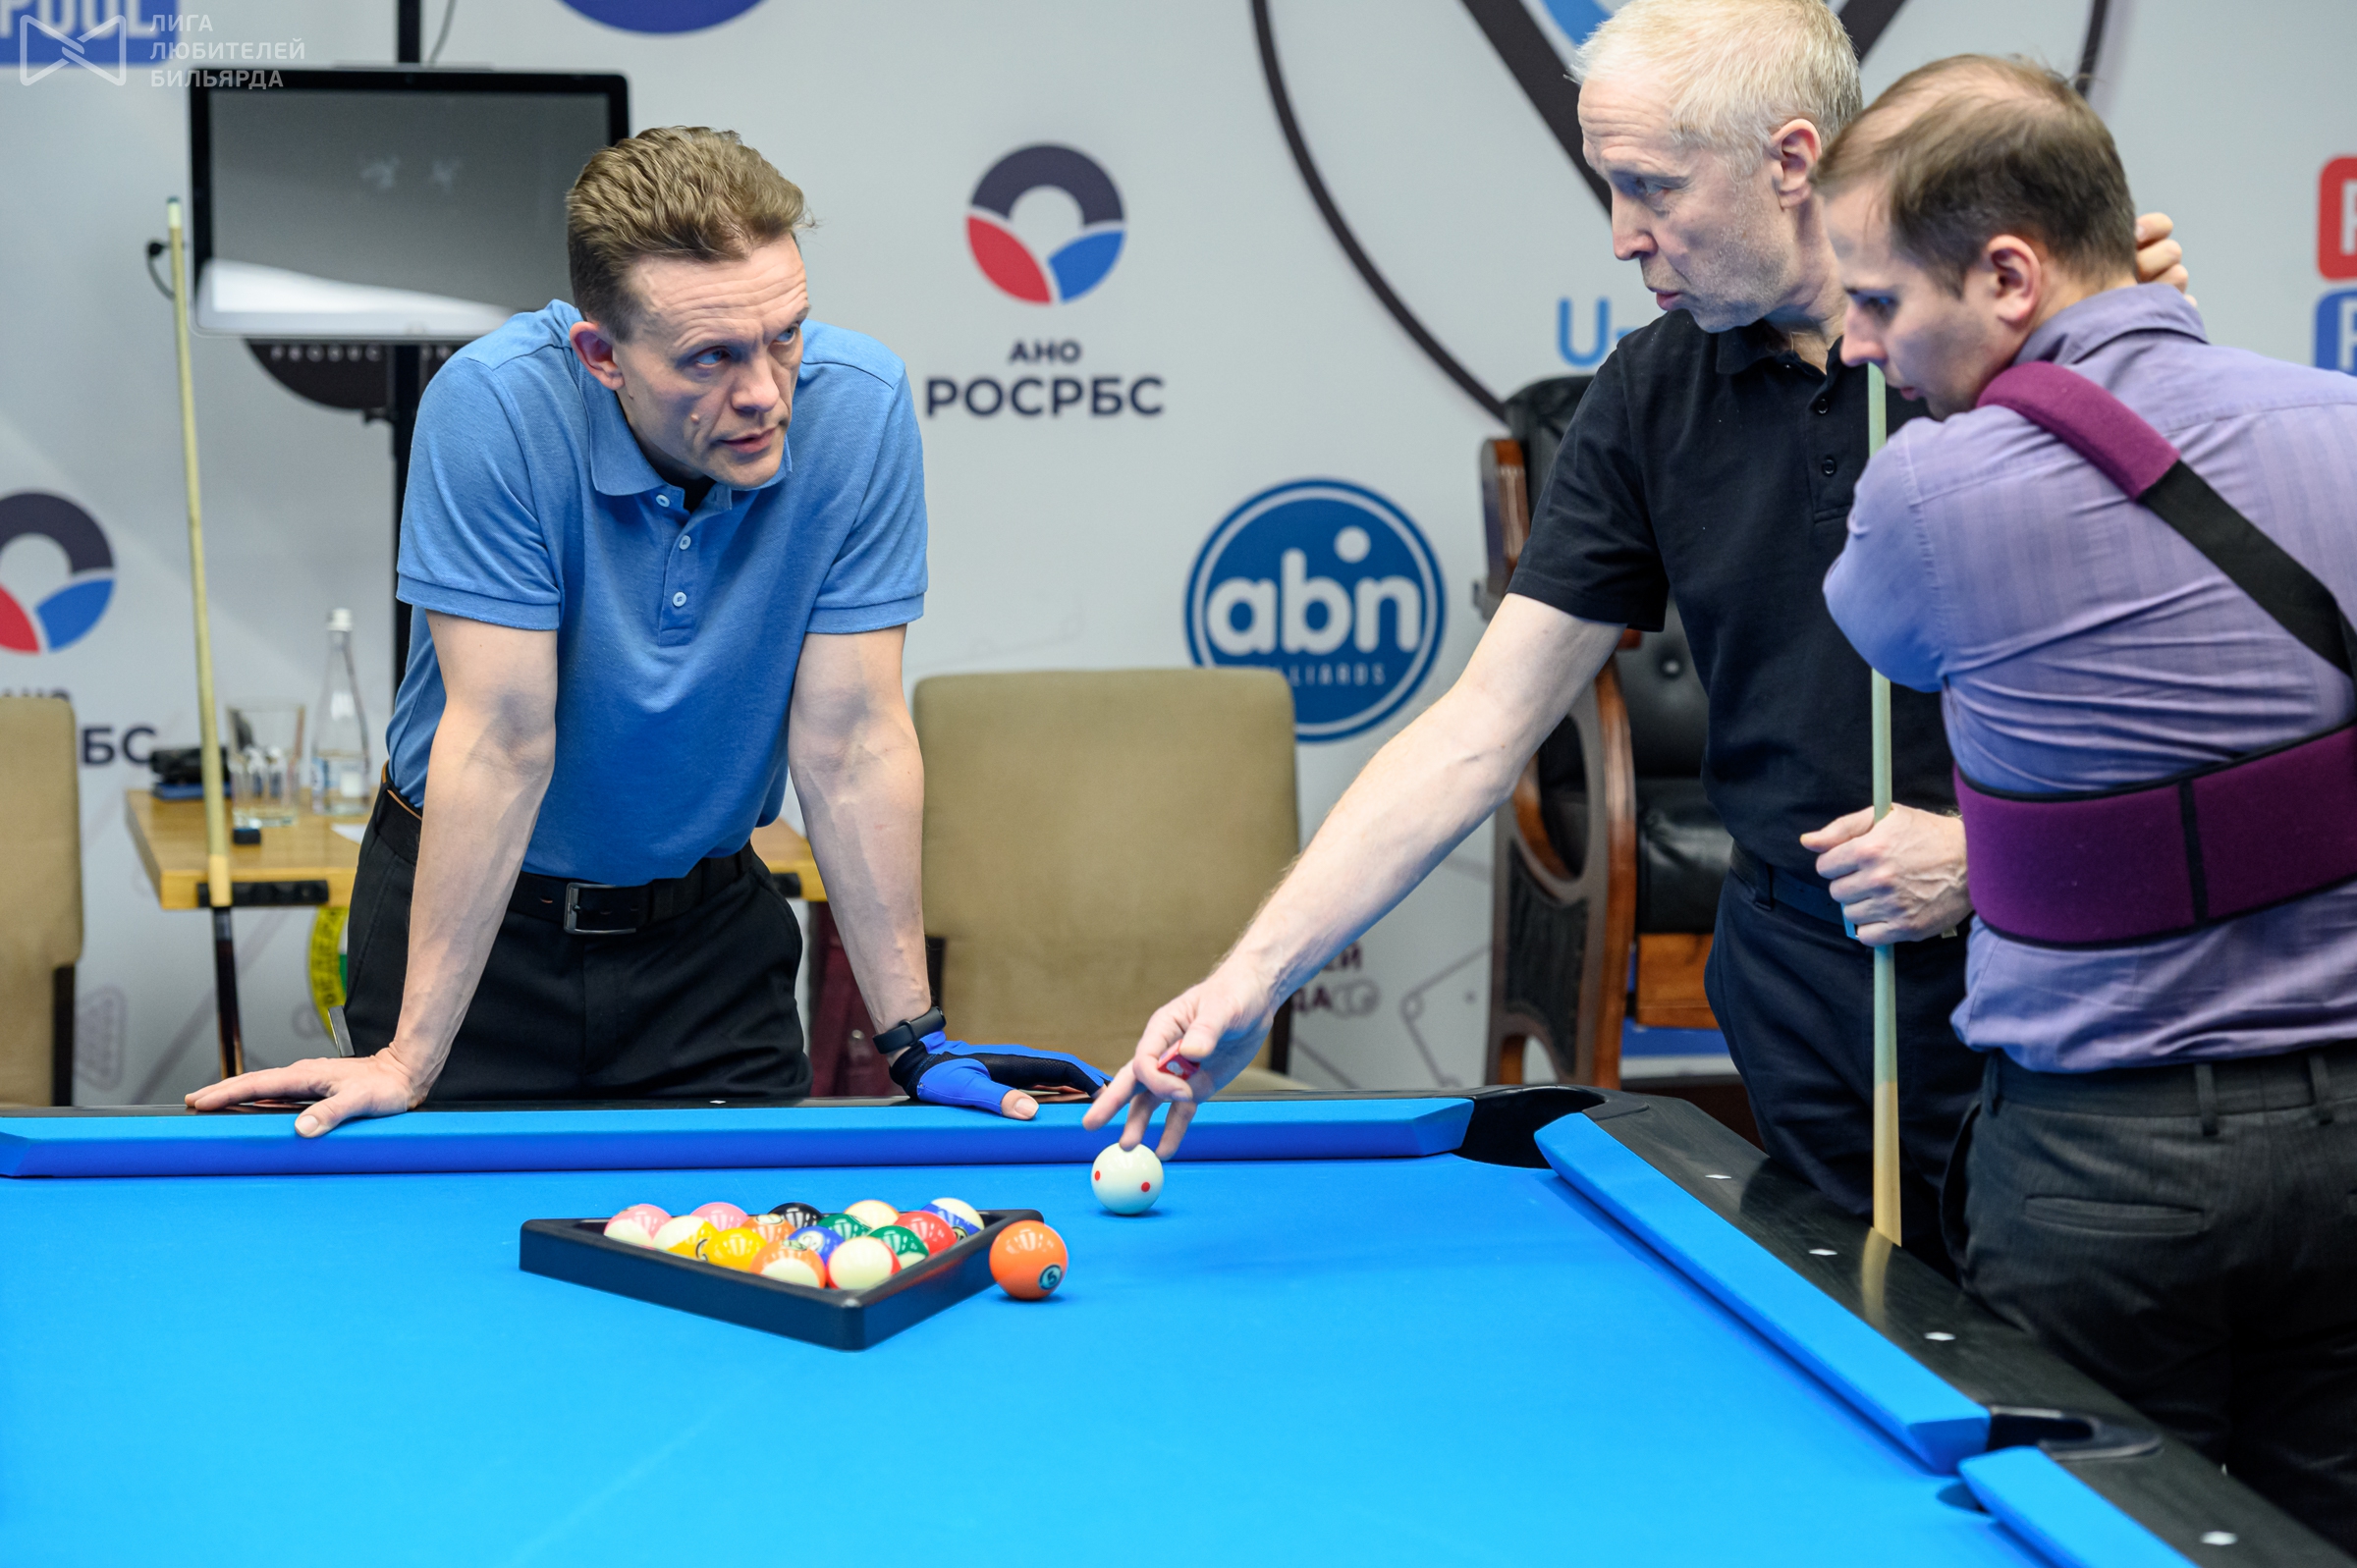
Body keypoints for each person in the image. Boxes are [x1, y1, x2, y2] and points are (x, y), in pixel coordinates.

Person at [1086, 0, 2186, 1272]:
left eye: (1653, 186)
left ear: (1791, 160)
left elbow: (2204, 703)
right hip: (1802, 987)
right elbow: (1479, 729)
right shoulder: (1650, 394)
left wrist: (1988, 857)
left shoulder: (2013, 339)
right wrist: (1253, 979)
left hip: (2052, 971)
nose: (1622, 233)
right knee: (1878, 1345)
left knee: (2052, 1367)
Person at [190, 128, 1105, 1135]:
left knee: (745, 1232)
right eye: (711, 357)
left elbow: (850, 743)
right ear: (602, 357)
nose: (764, 393)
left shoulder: (859, 409)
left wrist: (913, 1040)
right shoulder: (495, 407)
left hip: (708, 942)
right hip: (477, 935)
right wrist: (410, 1059)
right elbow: (502, 743)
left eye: (785, 335)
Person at [1816, 56, 2357, 1551]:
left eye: (1879, 302)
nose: (1858, 346)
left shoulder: (1930, 494)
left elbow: (1888, 636)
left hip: (2105, 1170)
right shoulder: (2343, 422)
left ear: (2009, 275)